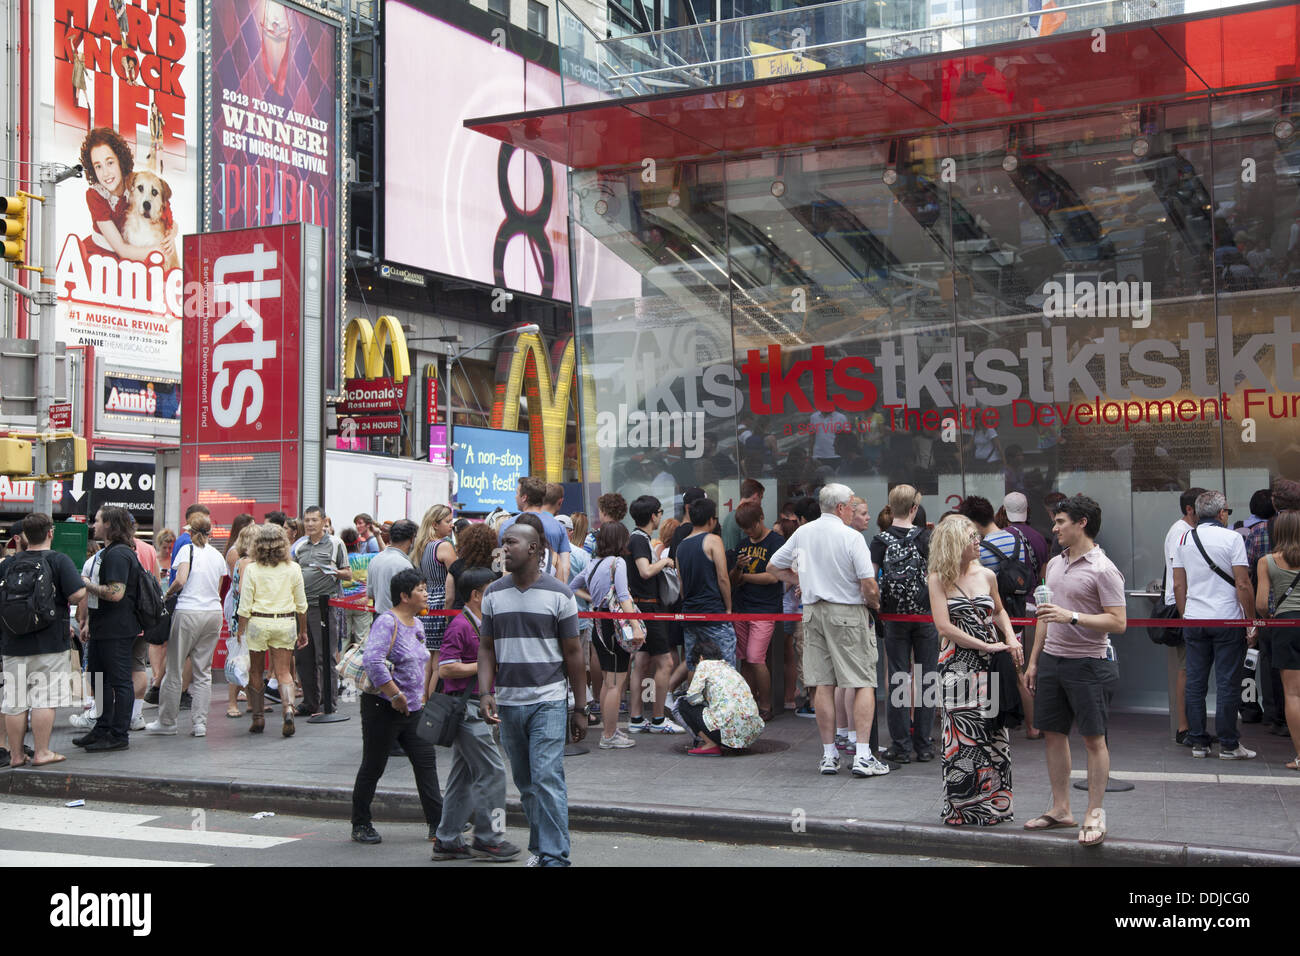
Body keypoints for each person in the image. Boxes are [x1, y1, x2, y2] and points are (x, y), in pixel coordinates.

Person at [478, 517, 587, 867]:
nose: (503, 548)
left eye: (510, 542)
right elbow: (486, 648)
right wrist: (484, 692)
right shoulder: (494, 593)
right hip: (509, 703)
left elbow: (574, 653)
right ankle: (541, 849)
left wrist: (580, 707)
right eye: (503, 542)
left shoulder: (560, 593)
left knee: (547, 778)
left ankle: (555, 856)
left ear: (534, 549)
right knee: (526, 783)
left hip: (549, 701)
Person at [1024, 495, 1127, 846]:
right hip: (1053, 660)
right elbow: (1045, 615)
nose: (1054, 528)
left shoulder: (1103, 568)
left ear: (1082, 523)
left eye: (1060, 521)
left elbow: (1118, 622)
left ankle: (1095, 812)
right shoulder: (1054, 564)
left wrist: (1073, 616)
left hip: (1089, 663)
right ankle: (1061, 809)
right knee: (1052, 733)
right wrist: (1035, 660)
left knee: (1093, 739)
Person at [768, 483, 889, 778]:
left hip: (812, 612)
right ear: (840, 508)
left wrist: (800, 581)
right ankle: (862, 755)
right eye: (850, 506)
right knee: (862, 682)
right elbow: (868, 583)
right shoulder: (851, 537)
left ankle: (828, 754)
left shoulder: (803, 533)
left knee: (822, 684)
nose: (852, 511)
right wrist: (874, 604)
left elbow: (773, 567)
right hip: (847, 611)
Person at [927, 514, 1022, 824]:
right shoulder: (938, 578)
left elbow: (999, 611)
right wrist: (986, 645)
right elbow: (944, 626)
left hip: (990, 663)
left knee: (994, 732)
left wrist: (1009, 637)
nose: (977, 541)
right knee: (961, 737)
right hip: (956, 666)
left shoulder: (987, 575)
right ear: (955, 543)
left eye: (976, 536)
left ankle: (995, 806)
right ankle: (963, 808)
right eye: (971, 538)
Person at [432, 566, 522, 861]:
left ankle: (447, 839)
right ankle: (489, 838)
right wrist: (485, 666)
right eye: (490, 592)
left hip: (473, 707)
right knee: (493, 772)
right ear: (475, 595)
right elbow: (445, 667)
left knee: (463, 776)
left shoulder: (482, 622)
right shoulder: (460, 625)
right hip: (467, 709)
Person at [350, 568, 442, 846]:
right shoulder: (387, 622)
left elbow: (421, 662)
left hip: (414, 709)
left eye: (426, 588)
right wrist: (395, 695)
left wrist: (419, 697)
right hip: (383, 708)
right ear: (404, 596)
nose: (426, 594)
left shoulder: (418, 623)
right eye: (420, 589)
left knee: (426, 763)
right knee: (374, 765)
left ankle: (438, 824)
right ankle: (360, 823)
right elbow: (373, 661)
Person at [1172, 490, 1258, 760]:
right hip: (1227, 619)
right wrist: (1251, 620)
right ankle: (1230, 745)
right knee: (1227, 683)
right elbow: (1243, 583)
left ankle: (1198, 742)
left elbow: (1178, 584)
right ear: (1221, 514)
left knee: (1196, 682)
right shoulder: (1232, 538)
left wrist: (1187, 614)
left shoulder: (1184, 537)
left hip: (1195, 619)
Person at [0, 513, 86, 766]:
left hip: (13, 643)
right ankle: (42, 752)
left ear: (24, 535)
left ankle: (15, 755)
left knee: (14, 701)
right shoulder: (59, 560)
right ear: (51, 533)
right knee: (44, 699)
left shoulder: (7, 564)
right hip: (49, 642)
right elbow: (77, 594)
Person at [871, 484, 938, 764]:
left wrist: (877, 607)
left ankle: (900, 744)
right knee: (926, 678)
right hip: (925, 617)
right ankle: (923, 744)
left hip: (895, 618)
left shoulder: (879, 540)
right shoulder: (926, 537)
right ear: (914, 509)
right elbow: (937, 576)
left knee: (898, 677)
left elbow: (871, 581)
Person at [148, 514, 227, 737]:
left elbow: (181, 580)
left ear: (191, 532)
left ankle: (167, 722)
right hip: (212, 613)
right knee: (203, 671)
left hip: (188, 611)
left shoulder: (187, 550)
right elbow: (218, 589)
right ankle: (200, 724)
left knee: (174, 668)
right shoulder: (217, 555)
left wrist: (168, 593)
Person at [570, 522, 647, 749]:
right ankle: (609, 734)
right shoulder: (617, 563)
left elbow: (572, 586)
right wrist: (635, 627)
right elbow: (623, 596)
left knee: (607, 682)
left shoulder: (593, 563)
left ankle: (609, 730)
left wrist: (593, 598)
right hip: (615, 626)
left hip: (599, 624)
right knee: (615, 683)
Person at [76, 506, 142, 753]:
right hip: (104, 627)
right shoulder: (111, 552)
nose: (93, 525)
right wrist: (90, 623)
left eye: (97, 520)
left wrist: (86, 584)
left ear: (110, 525)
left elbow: (115, 593)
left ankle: (118, 734)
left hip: (117, 628)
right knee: (98, 678)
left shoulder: (117, 555)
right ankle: (103, 728)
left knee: (119, 681)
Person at [237, 525, 309, 737]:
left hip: (258, 622)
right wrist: (302, 630)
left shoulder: (252, 568)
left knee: (256, 671)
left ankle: (258, 718)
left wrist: (240, 630)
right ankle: (288, 709)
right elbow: (301, 605)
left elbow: (244, 605)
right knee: (284, 672)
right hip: (285, 622)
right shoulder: (293, 568)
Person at [625, 495, 684, 734]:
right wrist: (665, 562)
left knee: (641, 662)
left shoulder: (639, 539)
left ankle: (638, 718)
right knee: (666, 661)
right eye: (659, 512)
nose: (661, 516)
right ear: (653, 516)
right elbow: (645, 571)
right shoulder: (639, 540)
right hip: (648, 608)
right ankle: (658, 718)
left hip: (642, 607)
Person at [1246, 479, 1300, 738]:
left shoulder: (1261, 541)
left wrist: (1267, 616)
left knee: (1288, 688)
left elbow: (1258, 599)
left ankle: (1278, 720)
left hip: (1281, 621)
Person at [728, 501, 784, 721]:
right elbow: (733, 581)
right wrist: (739, 567)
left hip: (765, 608)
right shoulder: (742, 545)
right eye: (745, 529)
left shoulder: (775, 542)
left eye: (751, 527)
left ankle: (765, 706)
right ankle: (747, 703)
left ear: (761, 518)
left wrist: (744, 577)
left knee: (755, 657)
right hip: (742, 607)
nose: (749, 532)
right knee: (744, 658)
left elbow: (773, 577)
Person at [294, 506, 351, 717]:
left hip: (325, 607)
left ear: (323, 521)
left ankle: (329, 703)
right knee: (303, 657)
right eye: (306, 520)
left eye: (313, 520)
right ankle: (309, 702)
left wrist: (334, 572)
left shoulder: (336, 543)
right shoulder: (299, 546)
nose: (309, 524)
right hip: (301, 608)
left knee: (324, 656)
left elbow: (348, 574)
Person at [1255, 511, 1300, 770]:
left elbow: (1261, 603)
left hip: (1285, 626)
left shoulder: (1267, 561)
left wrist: (1268, 616)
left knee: (1293, 694)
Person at [1163, 487, 1205, 745]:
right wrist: (1184, 613)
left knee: (1190, 668)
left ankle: (1189, 725)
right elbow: (1180, 578)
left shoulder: (1187, 530)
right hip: (1184, 606)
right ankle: (1183, 726)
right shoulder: (1180, 532)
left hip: (1190, 606)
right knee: (1186, 668)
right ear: (1190, 509)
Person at [671, 638, 764, 755]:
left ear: (700, 658)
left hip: (726, 731)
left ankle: (710, 744)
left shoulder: (704, 664)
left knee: (682, 704)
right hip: (750, 734)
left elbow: (693, 697)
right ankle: (730, 743)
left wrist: (701, 701)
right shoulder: (729, 668)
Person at [675, 498, 737, 669]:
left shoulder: (681, 546)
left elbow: (681, 584)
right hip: (713, 613)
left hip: (690, 614)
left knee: (695, 665)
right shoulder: (713, 540)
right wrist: (729, 608)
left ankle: (696, 695)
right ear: (711, 519)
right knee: (725, 663)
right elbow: (723, 577)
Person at [498, 476, 572, 583]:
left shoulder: (507, 525)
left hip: (517, 591)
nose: (515, 497)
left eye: (517, 493)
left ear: (524, 498)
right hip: (548, 590)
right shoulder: (558, 527)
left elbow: (502, 564)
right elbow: (565, 566)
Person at [225, 522, 260, 718]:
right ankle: (232, 702)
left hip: (244, 616)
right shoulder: (247, 563)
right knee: (240, 658)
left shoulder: (245, 562)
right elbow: (244, 590)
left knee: (247, 659)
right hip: (245, 618)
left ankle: (249, 700)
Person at [413, 505, 456, 654]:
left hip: (426, 602)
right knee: (439, 659)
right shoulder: (444, 546)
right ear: (435, 524)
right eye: (447, 521)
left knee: (428, 658)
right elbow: (456, 574)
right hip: (442, 602)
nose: (452, 524)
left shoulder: (422, 546)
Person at [366, 519, 417, 616]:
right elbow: (410, 599)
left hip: (379, 617)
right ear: (412, 538)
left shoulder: (375, 560)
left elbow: (370, 593)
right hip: (399, 619)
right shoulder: (405, 564)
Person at [444, 522, 497, 612]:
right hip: (489, 615)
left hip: (460, 614)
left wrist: (448, 616)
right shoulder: (497, 567)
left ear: (466, 542)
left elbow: (449, 598)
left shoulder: (456, 566)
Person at [720, 479, 764, 552]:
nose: (760, 503)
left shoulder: (728, 516)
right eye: (761, 498)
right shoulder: (747, 517)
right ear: (755, 497)